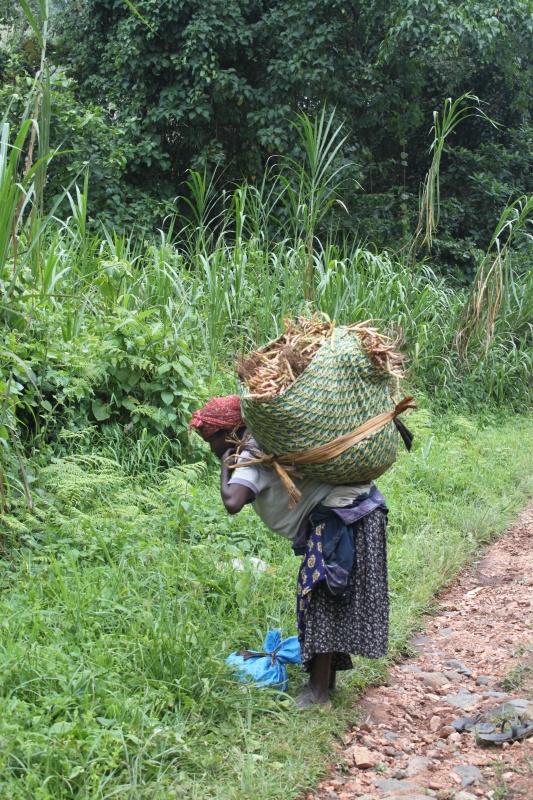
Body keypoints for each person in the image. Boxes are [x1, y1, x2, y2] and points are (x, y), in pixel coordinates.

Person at [190, 395, 389, 707]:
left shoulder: (252, 453)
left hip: (345, 518)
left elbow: (232, 502)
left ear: (227, 433)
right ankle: (326, 683)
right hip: (358, 512)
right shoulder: (261, 446)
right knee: (328, 598)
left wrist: (227, 460)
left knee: (321, 599)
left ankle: (318, 693)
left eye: (211, 440)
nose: (210, 447)